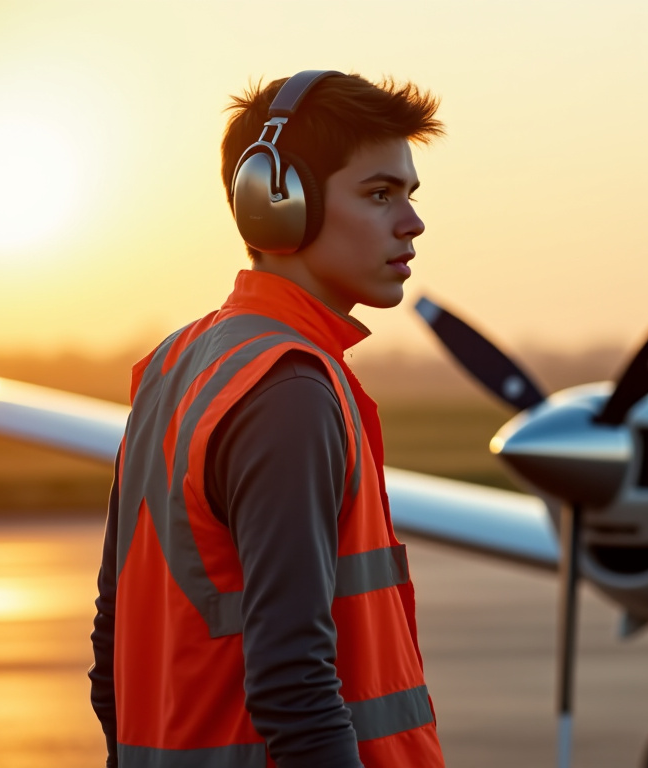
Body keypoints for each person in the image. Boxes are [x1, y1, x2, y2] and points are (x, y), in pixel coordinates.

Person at [88, 70, 446, 768]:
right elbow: (294, 684)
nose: (413, 223)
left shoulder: (175, 365)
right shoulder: (289, 390)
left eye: (409, 195)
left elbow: (113, 654)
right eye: (379, 195)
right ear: (275, 206)